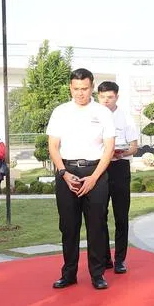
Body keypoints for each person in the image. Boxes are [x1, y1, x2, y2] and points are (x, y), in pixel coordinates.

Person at [46, 68, 116, 290]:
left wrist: (94, 178)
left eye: (84, 89)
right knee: (68, 226)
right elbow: (53, 146)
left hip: (95, 172)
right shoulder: (61, 112)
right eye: (76, 89)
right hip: (67, 172)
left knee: (96, 225)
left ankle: (97, 274)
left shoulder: (103, 112)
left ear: (92, 86)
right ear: (70, 87)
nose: (80, 93)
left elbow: (109, 148)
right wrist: (63, 173)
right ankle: (69, 273)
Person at [97, 81, 139, 273]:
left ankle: (120, 259)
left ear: (117, 97)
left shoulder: (126, 118)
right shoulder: (93, 116)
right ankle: (105, 257)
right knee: (99, 215)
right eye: (103, 97)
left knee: (121, 215)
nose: (106, 101)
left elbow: (134, 146)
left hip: (120, 167)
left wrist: (122, 152)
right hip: (99, 168)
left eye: (110, 97)